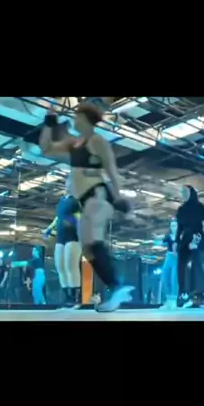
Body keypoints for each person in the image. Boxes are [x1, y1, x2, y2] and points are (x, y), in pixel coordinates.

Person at [39, 102, 133, 313]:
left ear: (86, 119)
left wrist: (118, 197)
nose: (74, 119)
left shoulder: (97, 141)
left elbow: (111, 170)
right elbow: (46, 148)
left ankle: (116, 287)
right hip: (83, 200)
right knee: (89, 248)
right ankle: (115, 286)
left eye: (77, 116)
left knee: (91, 241)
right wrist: (49, 121)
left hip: (97, 195)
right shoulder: (74, 143)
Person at [45, 193, 82, 307]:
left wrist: (71, 221)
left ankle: (76, 297)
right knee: (60, 266)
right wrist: (49, 228)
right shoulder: (62, 200)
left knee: (71, 266)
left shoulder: (77, 199)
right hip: (61, 235)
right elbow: (58, 217)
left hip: (73, 235)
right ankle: (67, 297)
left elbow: (82, 216)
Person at [160, 219, 179, 307]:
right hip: (169, 256)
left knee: (174, 278)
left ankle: (174, 298)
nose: (173, 228)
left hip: (177, 257)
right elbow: (161, 242)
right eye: (172, 226)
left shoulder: (181, 236)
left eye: (175, 226)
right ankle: (168, 298)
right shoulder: (168, 236)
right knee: (165, 275)